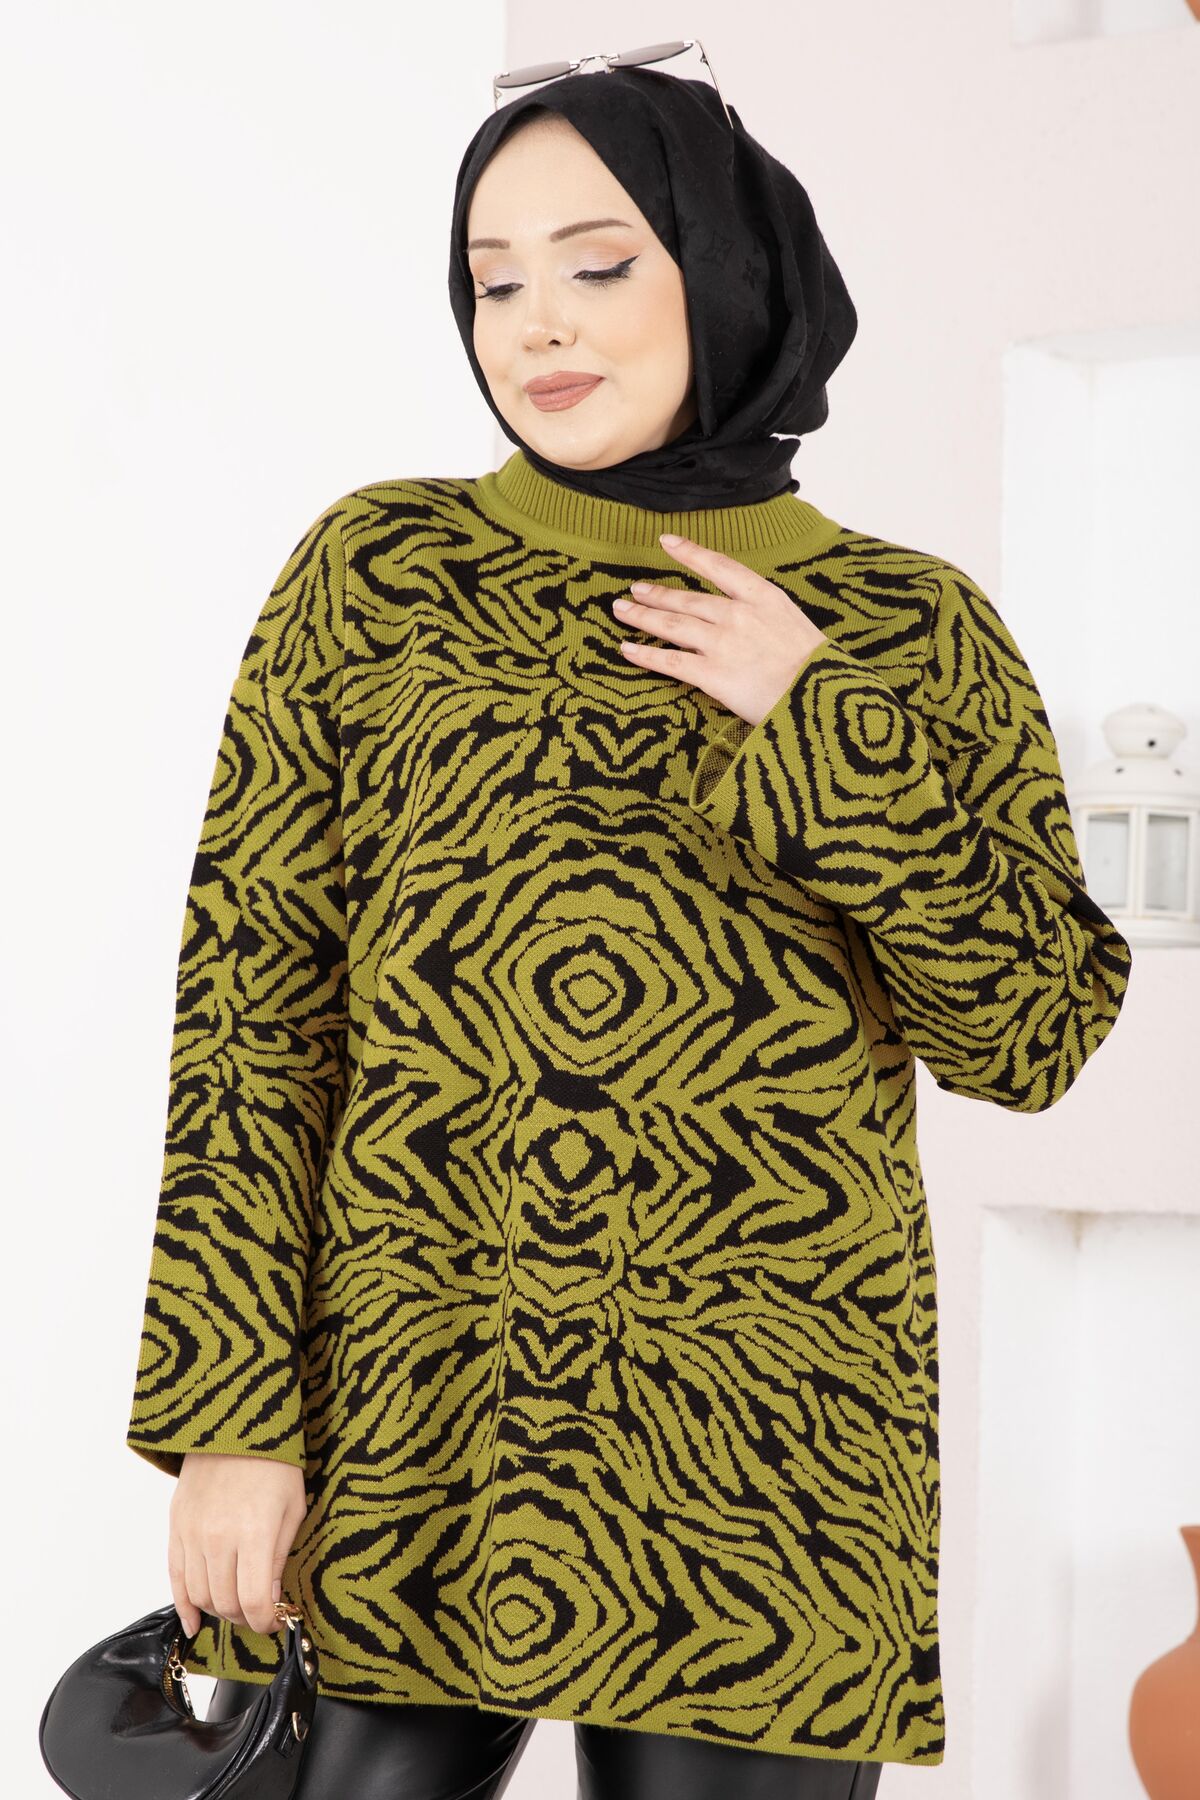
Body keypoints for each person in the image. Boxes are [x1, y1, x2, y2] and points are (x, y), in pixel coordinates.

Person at [123, 63, 1132, 1800]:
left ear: (727, 272)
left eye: (597, 264)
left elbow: (1030, 1035)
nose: (537, 322)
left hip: (768, 1456)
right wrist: (228, 1420)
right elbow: (250, 1026)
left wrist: (820, 722)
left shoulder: (906, 626)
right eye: (493, 279)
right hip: (409, 1410)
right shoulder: (377, 575)